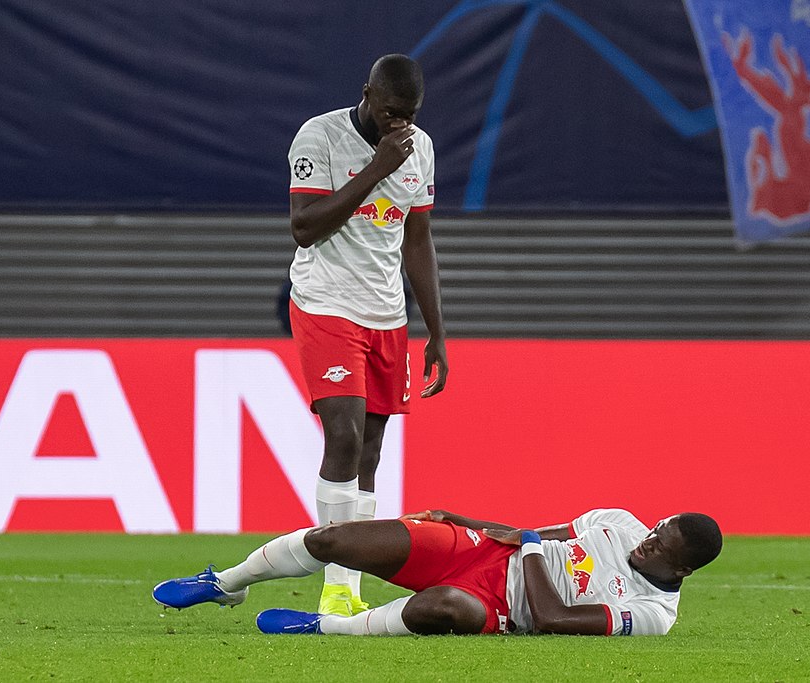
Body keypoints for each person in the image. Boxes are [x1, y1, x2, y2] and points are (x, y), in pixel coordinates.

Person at [285, 53, 448, 617]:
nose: (398, 123)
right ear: (367, 95)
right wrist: (376, 168)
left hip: (387, 315)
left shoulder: (419, 149)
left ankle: (349, 587)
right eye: (389, 111)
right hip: (325, 303)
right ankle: (334, 588)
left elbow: (418, 240)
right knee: (345, 437)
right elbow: (304, 228)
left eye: (409, 114)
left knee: (371, 450)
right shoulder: (320, 137)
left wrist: (436, 332)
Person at [152, 507, 723, 637]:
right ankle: (224, 584)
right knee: (335, 539)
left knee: (443, 606)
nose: (646, 540)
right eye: (656, 528)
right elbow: (536, 534)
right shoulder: (618, 522)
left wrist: (528, 551)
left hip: (502, 609)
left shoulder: (653, 614)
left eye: (660, 545)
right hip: (482, 551)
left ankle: (324, 628)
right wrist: (466, 521)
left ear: (683, 568)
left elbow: (551, 618)